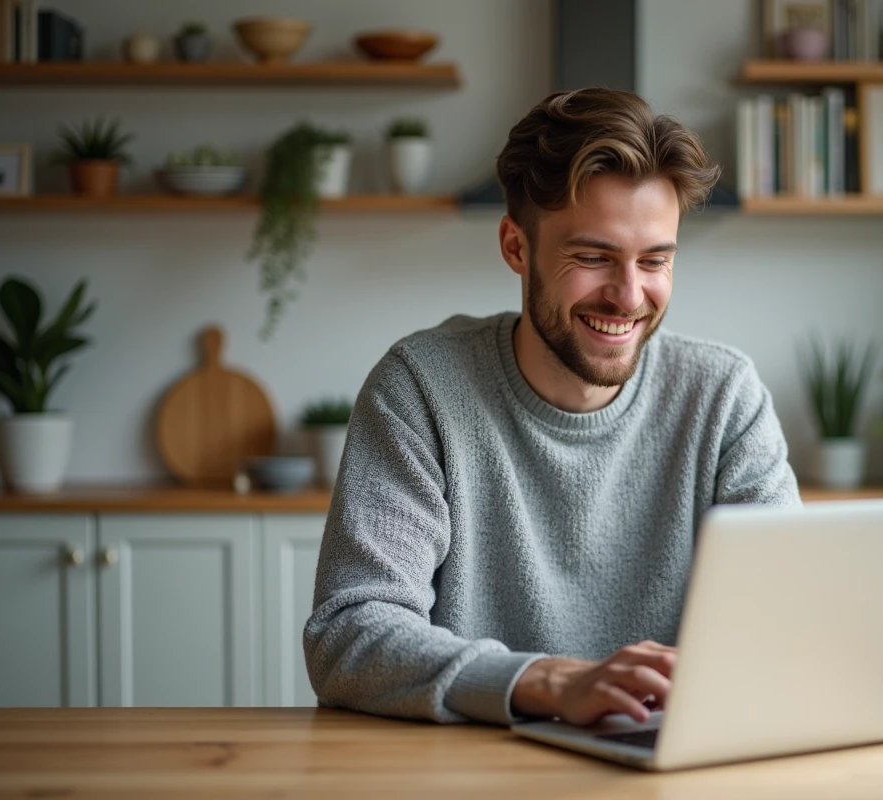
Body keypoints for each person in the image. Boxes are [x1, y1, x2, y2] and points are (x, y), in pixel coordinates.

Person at [304, 87, 800, 728]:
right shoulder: (421, 388)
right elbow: (349, 632)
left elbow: (788, 614)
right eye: (592, 257)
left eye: (654, 261)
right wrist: (549, 681)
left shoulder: (724, 395)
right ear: (516, 247)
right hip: (476, 770)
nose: (628, 296)